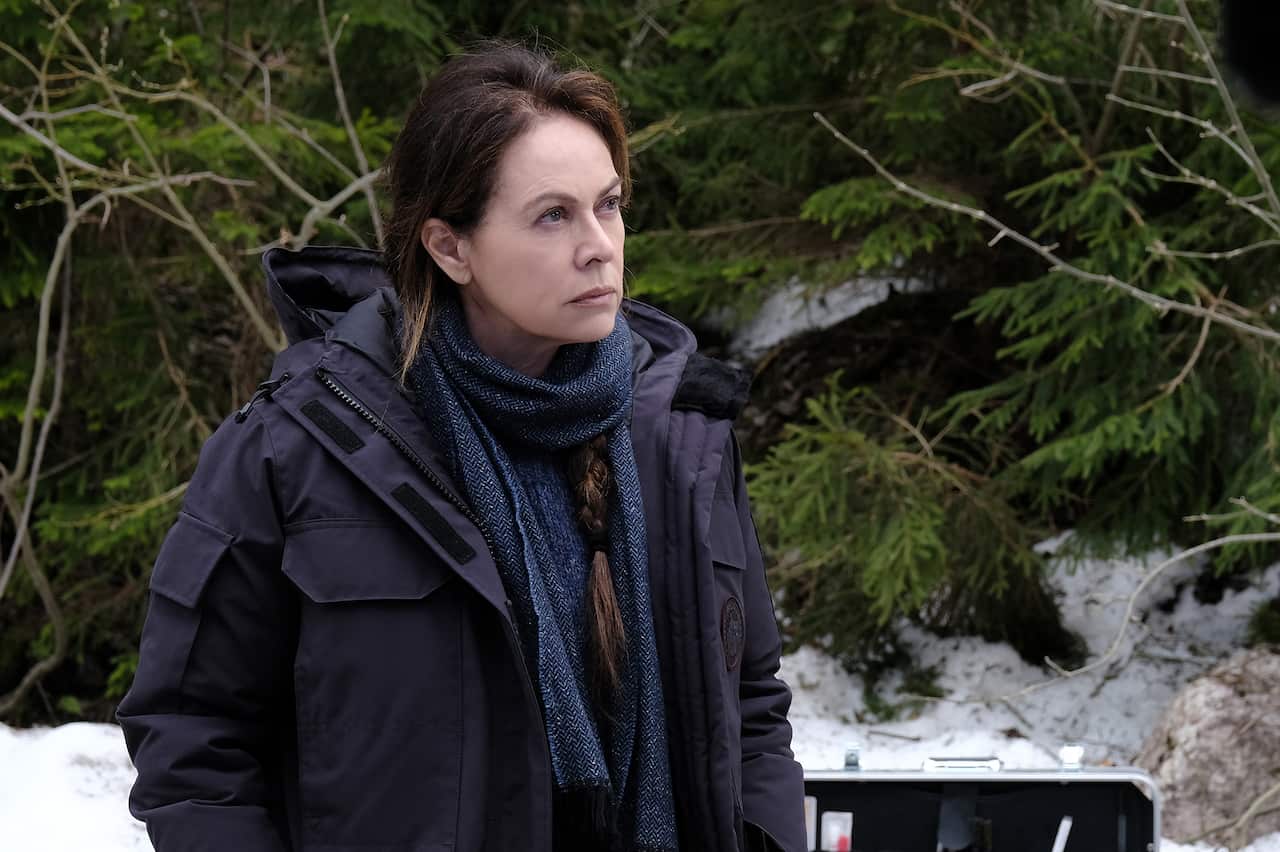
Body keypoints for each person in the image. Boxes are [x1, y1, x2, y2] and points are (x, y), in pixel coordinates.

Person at [118, 41, 806, 852]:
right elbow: (193, 741)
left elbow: (751, 704)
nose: (600, 246)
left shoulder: (678, 437)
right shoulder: (301, 447)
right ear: (450, 248)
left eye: (609, 205)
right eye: (553, 215)